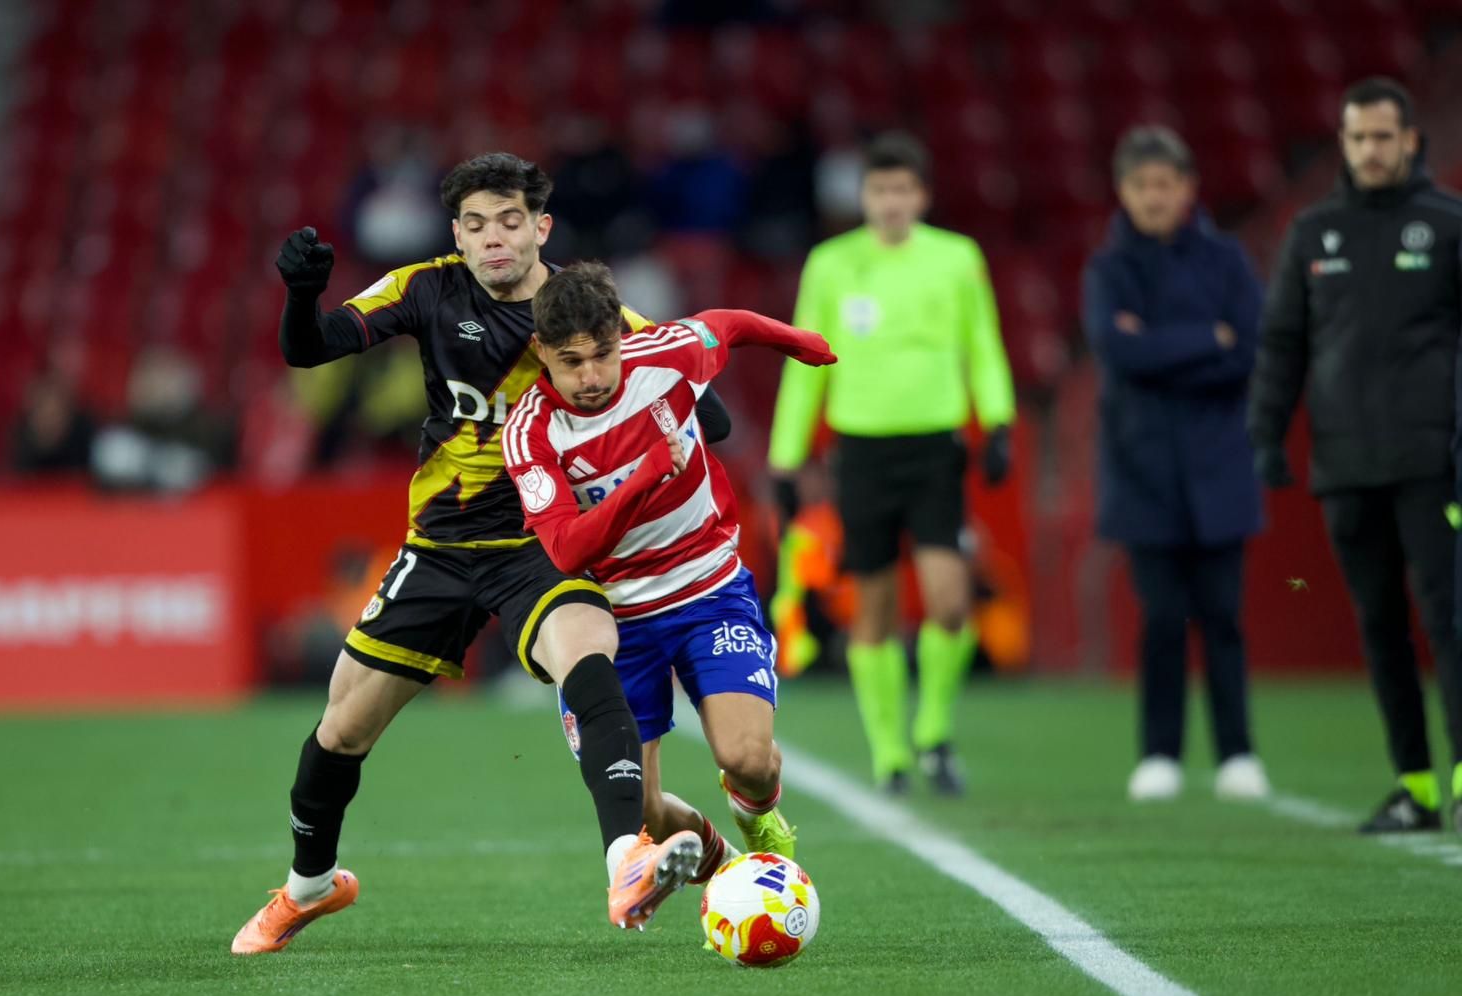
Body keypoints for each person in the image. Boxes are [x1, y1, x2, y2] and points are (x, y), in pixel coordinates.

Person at [231, 154, 732, 954]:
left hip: (543, 541)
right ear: (456, 236)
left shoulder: (582, 308)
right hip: (440, 544)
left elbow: (707, 406)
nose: (493, 238)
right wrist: (299, 291)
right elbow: (310, 348)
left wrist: (675, 417)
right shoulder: (423, 288)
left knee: (588, 653)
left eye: (509, 221)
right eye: (475, 224)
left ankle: (626, 861)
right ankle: (309, 887)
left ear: (541, 227)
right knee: (341, 730)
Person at [502, 262, 836, 881]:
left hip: (710, 588)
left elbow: (728, 326)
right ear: (540, 351)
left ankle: (758, 812)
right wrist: (646, 474)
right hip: (617, 619)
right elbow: (568, 550)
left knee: (749, 759)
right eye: (571, 362)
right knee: (644, 814)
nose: (593, 376)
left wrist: (795, 341)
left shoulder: (668, 354)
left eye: (603, 355)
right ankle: (728, 869)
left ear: (620, 339)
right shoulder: (530, 432)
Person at [767, 131, 1017, 796]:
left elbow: (983, 345)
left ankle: (933, 730)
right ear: (864, 196)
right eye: (880, 190)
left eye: (903, 190)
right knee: (872, 611)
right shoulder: (831, 264)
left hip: (936, 448)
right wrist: (786, 459)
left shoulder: (957, 259)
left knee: (949, 600)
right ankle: (889, 753)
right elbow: (805, 366)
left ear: (923, 196)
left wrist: (997, 420)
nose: (891, 203)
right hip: (863, 453)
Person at [1250, 78, 1462, 833]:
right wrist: (1265, 435)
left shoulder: (1447, 225)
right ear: (1342, 144)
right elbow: (1282, 343)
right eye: (1357, 138)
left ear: (1410, 140)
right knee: (1380, 627)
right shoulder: (1313, 233)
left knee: (1451, 619)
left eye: (1383, 136)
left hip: (1436, 462)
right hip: (1345, 468)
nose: (1371, 150)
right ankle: (1417, 786)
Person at [1083, 126, 1270, 803]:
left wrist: (1160, 345)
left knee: (1223, 616)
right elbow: (1116, 349)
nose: (1154, 197)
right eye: (1141, 185)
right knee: (1160, 619)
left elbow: (1248, 348)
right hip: (1142, 471)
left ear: (1188, 189)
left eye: (1165, 184)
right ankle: (1159, 754)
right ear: (1123, 192)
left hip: (1220, 467)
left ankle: (1237, 754)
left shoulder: (1226, 260)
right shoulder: (1108, 269)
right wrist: (1204, 340)